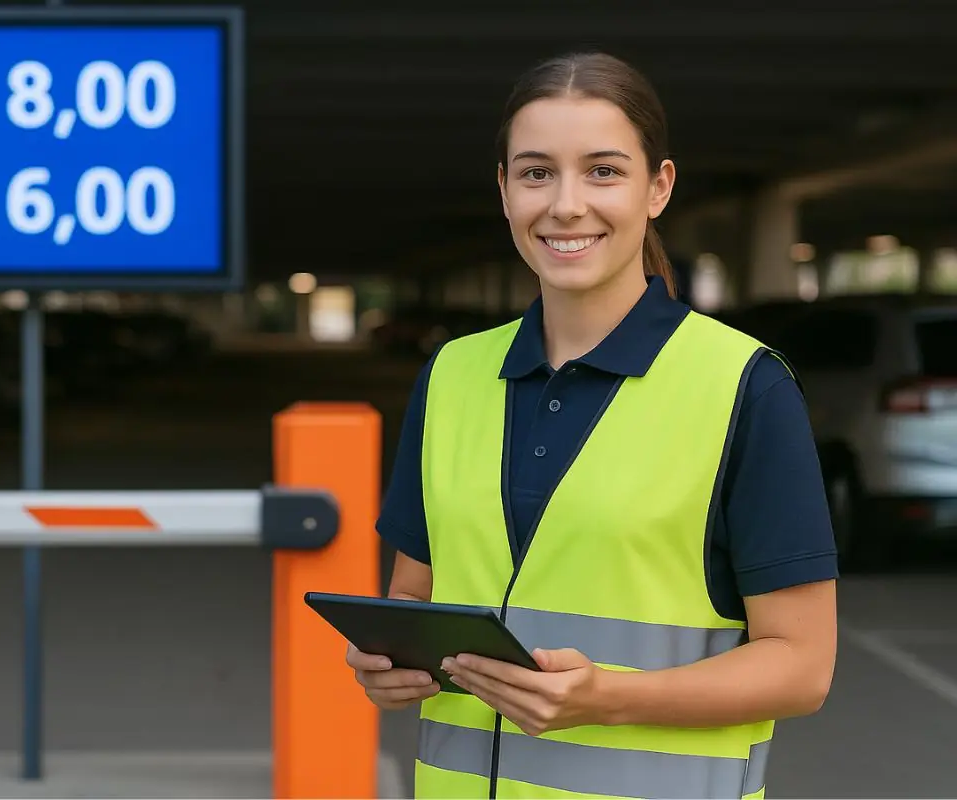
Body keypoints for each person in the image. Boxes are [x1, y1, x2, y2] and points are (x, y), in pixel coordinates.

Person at [345, 52, 838, 800]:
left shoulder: (745, 387)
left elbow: (802, 667)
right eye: (537, 172)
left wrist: (604, 697)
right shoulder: (451, 376)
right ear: (505, 190)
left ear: (658, 188)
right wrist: (390, 660)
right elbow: (416, 596)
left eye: (603, 171)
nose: (566, 205)